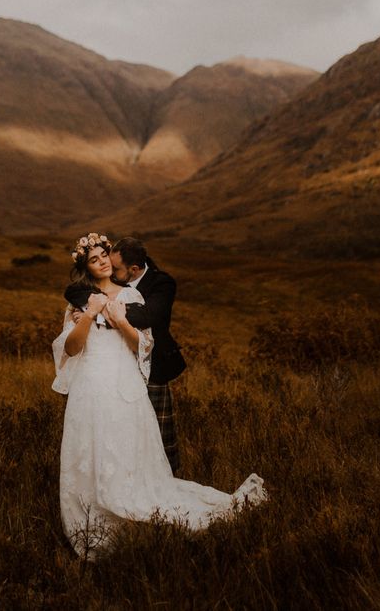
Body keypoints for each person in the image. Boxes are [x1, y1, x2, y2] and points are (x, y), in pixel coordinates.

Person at [52, 232, 267, 558]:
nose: (103, 261)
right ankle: (92, 519)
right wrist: (91, 313)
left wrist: (121, 320)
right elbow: (70, 347)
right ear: (86, 267)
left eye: (105, 254)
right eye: (95, 259)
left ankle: (134, 517)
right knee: (89, 451)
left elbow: (143, 346)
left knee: (126, 451)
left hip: (124, 384)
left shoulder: (131, 297)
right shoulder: (80, 301)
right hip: (91, 385)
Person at [64, 236, 185, 473]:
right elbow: (74, 291)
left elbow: (147, 317)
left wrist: (99, 315)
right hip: (105, 375)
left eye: (111, 263)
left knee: (155, 436)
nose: (107, 265)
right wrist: (91, 310)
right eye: (96, 259)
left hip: (155, 366)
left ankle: (165, 480)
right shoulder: (90, 291)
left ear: (134, 269)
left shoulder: (161, 283)